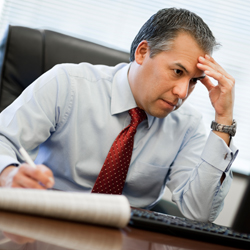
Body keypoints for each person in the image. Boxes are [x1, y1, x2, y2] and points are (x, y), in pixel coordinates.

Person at [0, 8, 238, 222]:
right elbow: (4, 139)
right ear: (143, 52)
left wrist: (223, 120)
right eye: (177, 72)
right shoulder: (68, 84)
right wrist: (9, 175)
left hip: (126, 237)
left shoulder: (188, 126)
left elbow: (200, 212)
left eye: (193, 81)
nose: (182, 92)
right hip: (49, 219)